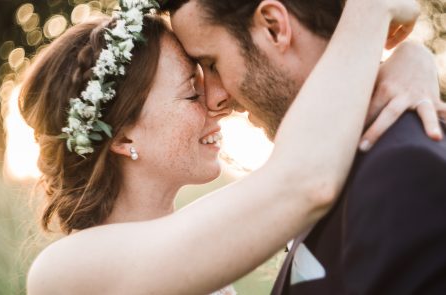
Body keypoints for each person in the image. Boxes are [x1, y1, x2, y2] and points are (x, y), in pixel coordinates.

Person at [21, 0, 424, 294]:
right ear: (124, 137)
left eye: (210, 69)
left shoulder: (202, 233)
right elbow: (301, 180)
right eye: (191, 92)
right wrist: (370, 12)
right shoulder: (65, 273)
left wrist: (411, 60)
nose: (219, 101)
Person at [163, 0, 446, 293]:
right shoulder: (326, 165)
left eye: (212, 64)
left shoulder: (407, 170)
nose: (214, 100)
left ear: (274, 27)